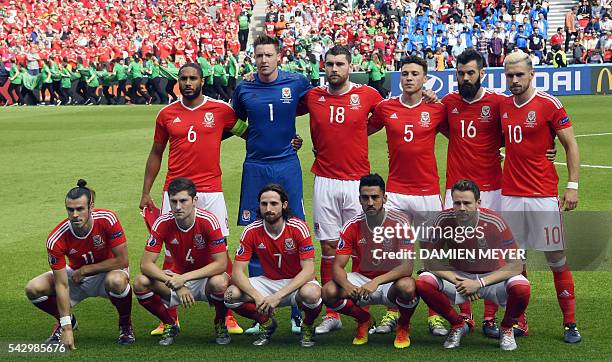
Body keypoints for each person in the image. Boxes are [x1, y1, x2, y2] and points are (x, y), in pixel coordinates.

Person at [140, 62, 243, 337]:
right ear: (178, 81)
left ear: (202, 80)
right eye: (183, 78)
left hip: (210, 191)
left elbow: (248, 132)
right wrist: (146, 191)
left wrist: (284, 142)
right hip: (174, 193)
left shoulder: (221, 110)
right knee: (170, 251)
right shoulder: (166, 114)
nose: (188, 83)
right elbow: (156, 152)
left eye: (193, 78)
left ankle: (227, 314)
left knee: (220, 251)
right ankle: (168, 317)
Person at [300, 45, 395, 335]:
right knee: (328, 245)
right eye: (329, 64)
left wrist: (358, 133)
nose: (334, 69)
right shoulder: (313, 96)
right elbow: (282, 111)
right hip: (325, 180)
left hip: (357, 182)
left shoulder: (367, 94)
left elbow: (384, 115)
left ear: (350, 66)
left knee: (360, 246)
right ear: (323, 66)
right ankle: (334, 312)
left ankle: (361, 308)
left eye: (340, 64)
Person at [231, 34, 311, 333]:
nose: (263, 60)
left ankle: (295, 310)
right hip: (256, 167)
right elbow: (233, 120)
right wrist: (250, 136)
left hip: (287, 165)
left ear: (279, 57)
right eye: (259, 55)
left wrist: (295, 139)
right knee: (254, 231)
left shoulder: (297, 82)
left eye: (268, 55)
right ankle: (261, 311)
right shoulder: (244, 88)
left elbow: (312, 103)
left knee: (295, 229)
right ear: (254, 58)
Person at [500, 51, 582, 343]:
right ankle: (519, 321)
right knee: (514, 261)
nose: (515, 80)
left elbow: (570, 144)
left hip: (542, 195)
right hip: (509, 195)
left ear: (532, 74)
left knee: (556, 258)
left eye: (520, 75)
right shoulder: (502, 105)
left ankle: (570, 322)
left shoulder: (549, 104)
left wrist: (572, 185)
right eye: (510, 75)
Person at [369, 55, 449, 337]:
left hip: (428, 192)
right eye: (405, 74)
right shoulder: (385, 108)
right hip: (396, 193)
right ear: (399, 78)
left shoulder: (437, 109)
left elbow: (462, 136)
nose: (409, 78)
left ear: (425, 78)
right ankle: (393, 311)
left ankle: (435, 315)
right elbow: (357, 130)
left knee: (432, 257)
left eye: (415, 74)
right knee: (394, 257)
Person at [416, 179, 531, 350]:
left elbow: (516, 265)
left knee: (522, 286)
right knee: (423, 282)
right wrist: (457, 281)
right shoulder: (443, 219)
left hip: (491, 279)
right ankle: (457, 324)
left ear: (478, 203)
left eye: (467, 203)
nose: (461, 207)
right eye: (457, 203)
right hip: (460, 278)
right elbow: (429, 260)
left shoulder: (494, 221)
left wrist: (478, 283)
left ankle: (506, 329)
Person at [24, 180, 134, 349]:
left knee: (117, 282)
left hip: (108, 272)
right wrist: (67, 327)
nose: (75, 214)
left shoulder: (107, 219)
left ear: (91, 206)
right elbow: (61, 284)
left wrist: (86, 269)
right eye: (70, 209)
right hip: (76, 277)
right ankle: (64, 322)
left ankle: (125, 325)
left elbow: (122, 260)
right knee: (33, 288)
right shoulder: (56, 239)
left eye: (80, 209)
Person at [322, 174, 419, 348]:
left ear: (385, 198)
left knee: (408, 286)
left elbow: (407, 266)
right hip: (362, 282)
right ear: (359, 199)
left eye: (375, 197)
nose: (370, 202)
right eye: (365, 198)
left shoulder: (401, 222)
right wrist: (348, 286)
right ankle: (364, 319)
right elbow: (337, 267)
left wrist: (377, 282)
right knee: (329, 291)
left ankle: (403, 325)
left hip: (390, 283)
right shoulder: (351, 225)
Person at [134, 178, 232, 346]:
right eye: (173, 201)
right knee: (140, 282)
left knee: (220, 282)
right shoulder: (162, 222)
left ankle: (220, 322)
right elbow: (145, 264)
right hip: (175, 280)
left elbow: (221, 264)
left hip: (205, 280)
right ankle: (170, 323)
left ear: (194, 201)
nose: (178, 207)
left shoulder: (209, 220)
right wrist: (177, 283)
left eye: (183, 201)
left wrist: (183, 278)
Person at [224, 184, 322, 347]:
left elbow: (309, 270)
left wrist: (277, 296)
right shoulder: (251, 231)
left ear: (284, 205)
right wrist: (257, 296)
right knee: (230, 295)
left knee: (312, 293)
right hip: (268, 282)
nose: (268, 208)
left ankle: (308, 325)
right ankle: (265, 322)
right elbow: (237, 272)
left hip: (296, 283)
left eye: (273, 204)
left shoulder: (298, 227)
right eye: (264, 204)